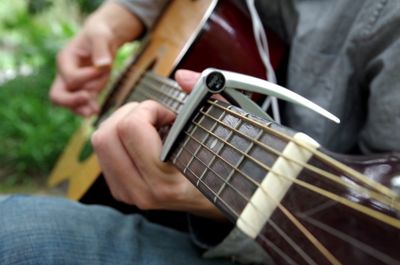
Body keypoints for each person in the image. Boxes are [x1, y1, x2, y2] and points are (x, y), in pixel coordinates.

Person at [1, 0, 399, 264]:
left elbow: (368, 235)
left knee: (15, 236)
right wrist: (123, 13)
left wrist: (223, 200)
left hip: (287, 240)